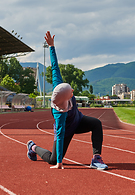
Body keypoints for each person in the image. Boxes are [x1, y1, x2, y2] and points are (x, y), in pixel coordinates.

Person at [26, 31, 108, 170]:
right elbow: (59, 135)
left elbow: (54, 66)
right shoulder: (60, 115)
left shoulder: (59, 86)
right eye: (71, 92)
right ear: (67, 97)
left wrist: (51, 46)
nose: (73, 91)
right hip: (67, 129)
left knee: (96, 124)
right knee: (52, 160)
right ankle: (32, 147)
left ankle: (96, 158)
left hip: (79, 120)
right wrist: (59, 162)